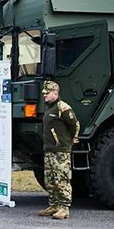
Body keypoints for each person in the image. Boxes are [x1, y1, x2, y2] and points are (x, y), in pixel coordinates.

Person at [39, 80, 80, 220]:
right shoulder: (49, 108)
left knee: (61, 179)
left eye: (47, 93)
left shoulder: (63, 108)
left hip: (61, 151)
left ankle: (64, 207)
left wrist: (72, 139)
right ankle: (54, 204)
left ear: (55, 93)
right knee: (50, 179)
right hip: (49, 150)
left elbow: (75, 124)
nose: (44, 95)